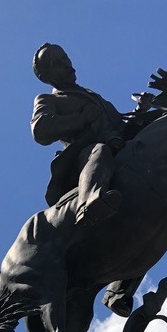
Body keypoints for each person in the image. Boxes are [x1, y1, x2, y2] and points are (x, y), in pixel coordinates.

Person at [31, 43, 126, 226]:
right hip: (84, 157)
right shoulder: (48, 99)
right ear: (46, 76)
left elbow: (120, 124)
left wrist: (142, 109)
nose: (67, 64)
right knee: (99, 151)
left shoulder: (95, 97)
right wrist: (81, 118)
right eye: (58, 62)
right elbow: (40, 130)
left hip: (118, 146)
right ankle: (88, 204)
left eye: (65, 58)